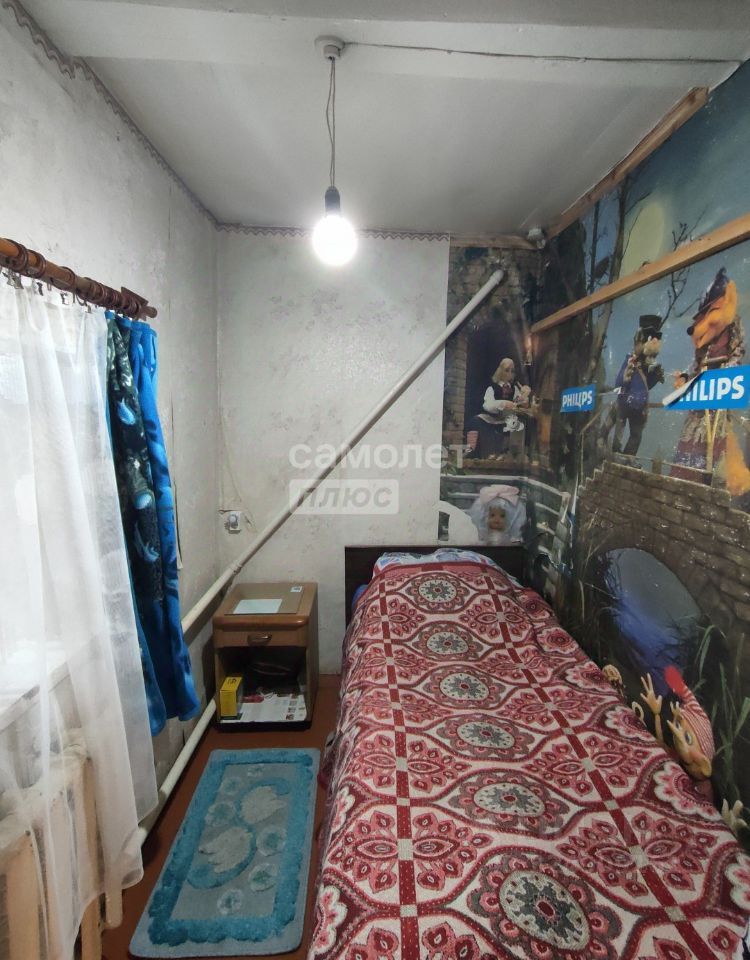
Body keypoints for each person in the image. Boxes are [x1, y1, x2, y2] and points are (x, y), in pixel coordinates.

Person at [598, 315, 664, 457]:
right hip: (624, 404)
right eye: (649, 338)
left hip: (639, 409)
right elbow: (619, 382)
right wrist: (626, 377)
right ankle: (614, 453)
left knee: (636, 435)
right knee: (618, 431)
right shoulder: (630, 361)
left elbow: (645, 386)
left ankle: (628, 456)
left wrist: (655, 377)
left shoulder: (648, 366)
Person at [466, 357, 529, 460]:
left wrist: (524, 399)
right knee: (474, 421)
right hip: (492, 417)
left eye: (512, 371)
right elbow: (487, 405)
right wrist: (502, 403)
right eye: (507, 370)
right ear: (500, 371)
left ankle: (509, 454)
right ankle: (471, 451)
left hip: (507, 419)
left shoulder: (514, 389)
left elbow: (519, 403)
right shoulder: (492, 387)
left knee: (517, 426)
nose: (510, 373)